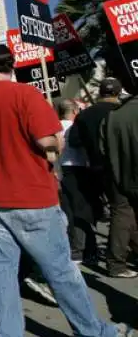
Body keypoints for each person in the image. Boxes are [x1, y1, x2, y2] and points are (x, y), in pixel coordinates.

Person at [0, 44, 133, 337]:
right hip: (32, 197)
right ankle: (95, 335)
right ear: (12, 66)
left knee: (3, 272)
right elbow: (46, 141)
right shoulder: (26, 95)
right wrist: (56, 143)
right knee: (60, 271)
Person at [71, 78, 137, 278]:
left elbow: (76, 141)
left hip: (101, 169)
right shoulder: (118, 112)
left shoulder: (87, 115)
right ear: (118, 92)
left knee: (123, 212)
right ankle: (116, 260)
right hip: (123, 168)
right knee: (123, 214)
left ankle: (122, 255)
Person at [101, 72, 138, 279]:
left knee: (122, 219)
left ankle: (116, 262)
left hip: (119, 176)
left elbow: (102, 148)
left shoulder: (115, 116)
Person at [57, 99, 98, 265]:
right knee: (82, 211)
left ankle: (78, 246)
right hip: (78, 169)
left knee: (68, 212)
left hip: (61, 172)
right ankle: (84, 248)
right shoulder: (77, 127)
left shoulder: (55, 127)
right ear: (74, 111)